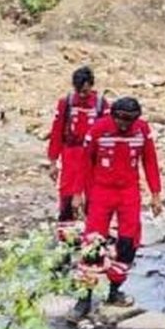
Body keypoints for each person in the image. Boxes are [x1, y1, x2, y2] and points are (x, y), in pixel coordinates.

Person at [70, 97, 163, 321]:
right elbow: (84, 161)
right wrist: (77, 193)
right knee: (93, 243)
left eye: (130, 120)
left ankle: (114, 291)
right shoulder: (99, 129)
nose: (124, 125)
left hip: (129, 192)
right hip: (102, 191)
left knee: (128, 242)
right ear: (113, 115)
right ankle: (84, 298)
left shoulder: (141, 130)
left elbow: (149, 160)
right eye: (121, 120)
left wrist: (156, 193)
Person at [47, 66, 108, 235]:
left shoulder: (100, 105)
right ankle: (65, 236)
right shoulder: (66, 103)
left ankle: (93, 237)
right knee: (67, 193)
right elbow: (57, 132)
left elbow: (107, 134)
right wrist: (53, 161)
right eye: (79, 91)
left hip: (92, 158)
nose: (82, 94)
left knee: (93, 195)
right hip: (71, 153)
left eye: (85, 91)